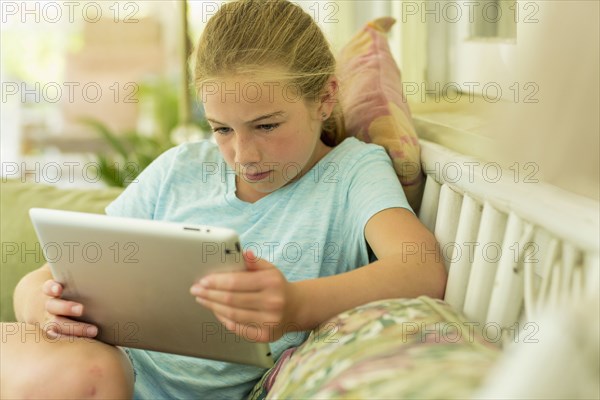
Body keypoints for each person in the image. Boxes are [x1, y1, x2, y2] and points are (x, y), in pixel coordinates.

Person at [0, 0, 446, 398]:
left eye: (267, 126)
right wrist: (39, 303)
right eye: (222, 129)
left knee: (93, 373)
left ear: (325, 98)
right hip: (78, 360)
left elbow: (420, 266)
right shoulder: (180, 169)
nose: (243, 155)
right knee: (91, 369)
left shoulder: (352, 171)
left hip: (103, 379)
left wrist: (295, 307)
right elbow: (43, 276)